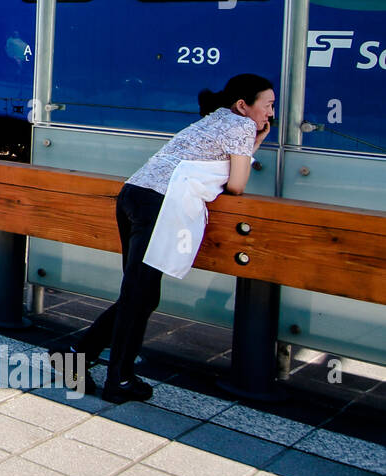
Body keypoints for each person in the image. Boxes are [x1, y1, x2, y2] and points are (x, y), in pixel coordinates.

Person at [61, 73, 276, 403]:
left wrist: (254, 142)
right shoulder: (242, 125)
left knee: (140, 296)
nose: (270, 115)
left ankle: (74, 358)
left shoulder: (217, 117)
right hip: (158, 204)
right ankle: (117, 379)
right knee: (138, 297)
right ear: (243, 105)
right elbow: (237, 184)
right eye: (268, 106)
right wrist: (256, 138)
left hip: (134, 196)